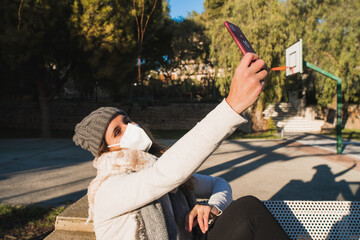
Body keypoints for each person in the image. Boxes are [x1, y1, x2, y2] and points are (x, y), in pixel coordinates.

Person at [73, 53, 290, 240]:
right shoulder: (108, 190)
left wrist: (212, 208)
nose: (130, 127)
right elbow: (166, 174)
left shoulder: (154, 163)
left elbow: (219, 184)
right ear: (105, 150)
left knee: (248, 209)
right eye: (117, 131)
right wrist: (231, 106)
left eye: (127, 120)